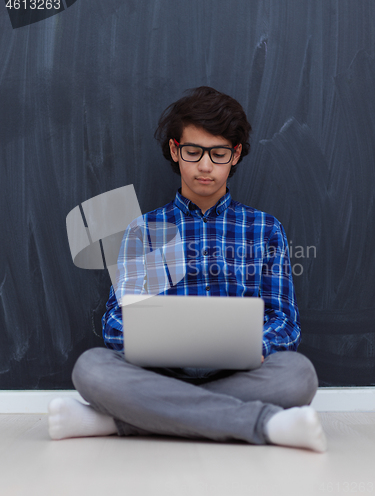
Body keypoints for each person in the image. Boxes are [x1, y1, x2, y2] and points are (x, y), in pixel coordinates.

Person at [48, 86, 327, 452]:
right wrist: (156, 344)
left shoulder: (265, 229)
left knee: (299, 376)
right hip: (157, 373)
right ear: (176, 151)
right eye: (194, 152)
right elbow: (116, 322)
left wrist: (257, 346)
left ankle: (121, 420)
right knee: (91, 368)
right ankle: (264, 424)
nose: (206, 165)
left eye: (219, 153)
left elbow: (285, 321)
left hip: (239, 375)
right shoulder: (143, 230)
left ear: (236, 154)